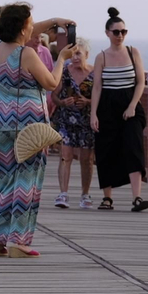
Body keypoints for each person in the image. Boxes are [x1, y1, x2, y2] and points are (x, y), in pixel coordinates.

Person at [0, 4, 75, 259]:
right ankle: (18, 240)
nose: (33, 27)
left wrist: (55, 20)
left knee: (7, 182)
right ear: (23, 28)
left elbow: (31, 27)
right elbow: (51, 83)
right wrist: (62, 59)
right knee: (27, 183)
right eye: (30, 24)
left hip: (4, 122)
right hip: (30, 125)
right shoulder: (26, 54)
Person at [90, 8, 148, 212]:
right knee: (105, 149)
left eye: (123, 31)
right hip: (108, 105)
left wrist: (133, 105)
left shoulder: (133, 52)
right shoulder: (101, 57)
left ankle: (137, 197)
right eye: (116, 32)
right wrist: (93, 113)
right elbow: (97, 87)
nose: (120, 36)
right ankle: (107, 197)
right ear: (107, 33)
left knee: (134, 148)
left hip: (130, 103)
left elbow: (141, 82)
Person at [51, 36, 94, 208]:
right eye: (73, 54)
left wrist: (88, 102)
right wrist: (62, 102)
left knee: (87, 159)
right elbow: (53, 95)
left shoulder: (94, 73)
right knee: (65, 156)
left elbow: (101, 97)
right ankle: (63, 194)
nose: (75, 57)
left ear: (87, 54)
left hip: (86, 120)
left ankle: (85, 194)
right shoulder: (64, 71)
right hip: (66, 119)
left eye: (79, 54)